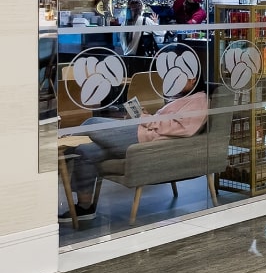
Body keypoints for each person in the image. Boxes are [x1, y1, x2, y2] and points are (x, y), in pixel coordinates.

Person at [60, 82, 209, 221]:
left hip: (143, 139)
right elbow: (166, 121)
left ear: (193, 79)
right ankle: (85, 207)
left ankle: (56, 158)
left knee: (92, 123)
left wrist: (145, 118)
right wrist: (147, 116)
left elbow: (182, 128)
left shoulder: (199, 99)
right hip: (141, 133)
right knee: (85, 150)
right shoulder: (184, 97)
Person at [119, 0, 160, 71]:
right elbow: (161, 32)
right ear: (141, 9)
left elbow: (122, 42)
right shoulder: (145, 21)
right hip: (142, 59)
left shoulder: (124, 23)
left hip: (127, 59)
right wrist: (156, 23)